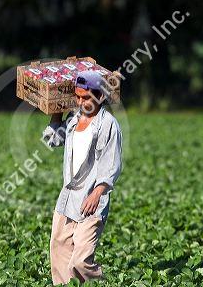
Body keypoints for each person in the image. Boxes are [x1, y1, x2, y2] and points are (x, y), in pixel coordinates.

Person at [42, 70, 123, 285]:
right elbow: (53, 141)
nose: (80, 101)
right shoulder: (73, 119)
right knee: (58, 250)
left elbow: (111, 164)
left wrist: (98, 193)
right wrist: (56, 111)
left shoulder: (107, 125)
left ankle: (101, 282)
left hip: (92, 200)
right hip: (67, 198)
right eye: (77, 96)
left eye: (86, 97)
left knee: (80, 261)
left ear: (101, 95)